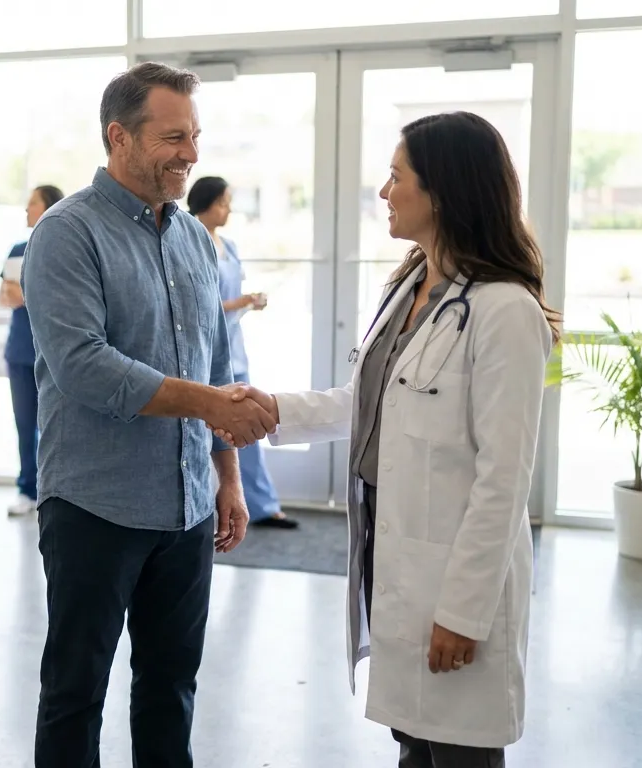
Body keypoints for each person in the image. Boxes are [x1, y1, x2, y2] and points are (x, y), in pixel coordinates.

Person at [215, 112, 561, 766]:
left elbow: (505, 478)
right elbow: (370, 403)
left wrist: (464, 610)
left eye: (396, 177)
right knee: (415, 745)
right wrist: (272, 410)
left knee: (460, 751)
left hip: (455, 571)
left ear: (443, 190)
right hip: (394, 550)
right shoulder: (410, 286)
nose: (383, 191)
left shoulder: (504, 310)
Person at [23, 62, 276, 768]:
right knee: (75, 694)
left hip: (187, 507)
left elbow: (214, 361)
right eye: (173, 138)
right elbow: (84, 366)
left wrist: (227, 478)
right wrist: (209, 404)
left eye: (194, 136)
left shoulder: (193, 236)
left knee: (171, 688)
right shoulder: (67, 233)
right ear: (119, 137)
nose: (190, 154)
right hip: (94, 506)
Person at [187, 176, 297, 530]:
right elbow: (195, 304)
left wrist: (249, 302)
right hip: (201, 349)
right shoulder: (188, 240)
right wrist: (239, 303)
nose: (229, 209)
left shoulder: (229, 246)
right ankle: (201, 506)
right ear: (206, 203)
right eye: (223, 202)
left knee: (244, 424)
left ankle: (261, 504)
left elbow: (230, 300)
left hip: (232, 346)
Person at [0, 184, 65, 517]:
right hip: (20, 351)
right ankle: (28, 489)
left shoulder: (66, 248)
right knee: (25, 424)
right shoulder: (17, 250)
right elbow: (4, 296)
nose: (27, 210)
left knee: (59, 426)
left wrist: (23, 293)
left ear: (49, 207)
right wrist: (21, 293)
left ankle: (61, 492)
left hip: (56, 355)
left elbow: (59, 297)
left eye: (33, 203)